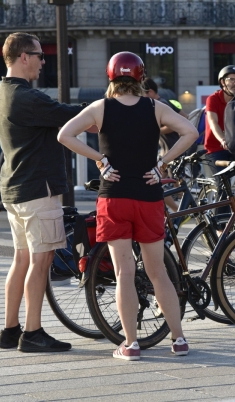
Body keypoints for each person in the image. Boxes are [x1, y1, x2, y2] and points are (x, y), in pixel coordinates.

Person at [58, 51, 197, 361]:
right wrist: (162, 163)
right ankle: (179, 339)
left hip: (114, 196)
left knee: (124, 273)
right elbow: (191, 131)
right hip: (148, 198)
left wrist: (100, 159)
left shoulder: (100, 109)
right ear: (140, 77)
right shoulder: (154, 107)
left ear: (111, 77)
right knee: (158, 272)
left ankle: (131, 344)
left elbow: (64, 134)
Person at [0, 32, 86, 352]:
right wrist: (107, 107)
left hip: (15, 188)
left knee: (21, 259)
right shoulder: (28, 98)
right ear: (23, 57)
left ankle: (10, 329)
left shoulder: (1, 91)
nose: (44, 62)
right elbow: (72, 114)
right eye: (40, 55)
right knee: (41, 261)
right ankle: (32, 333)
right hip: (37, 189)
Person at [142, 78, 188, 213]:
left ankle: (183, 210)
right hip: (167, 150)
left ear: (150, 92)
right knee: (162, 182)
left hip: (172, 149)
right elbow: (184, 116)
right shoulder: (164, 102)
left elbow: (181, 120)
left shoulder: (159, 104)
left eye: (142, 94)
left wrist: (155, 130)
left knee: (162, 182)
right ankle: (181, 210)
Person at [203, 65, 235, 213]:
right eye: (231, 79)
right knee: (223, 185)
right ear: (222, 82)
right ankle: (220, 226)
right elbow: (213, 122)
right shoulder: (213, 99)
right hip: (216, 149)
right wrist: (222, 139)